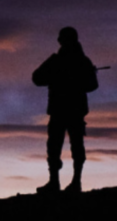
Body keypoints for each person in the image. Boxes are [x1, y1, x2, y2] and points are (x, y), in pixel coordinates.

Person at [32, 26, 98, 194]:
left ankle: (64, 182)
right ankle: (68, 182)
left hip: (63, 110)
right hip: (70, 110)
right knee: (65, 146)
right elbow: (37, 78)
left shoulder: (58, 61)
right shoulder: (82, 61)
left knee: (61, 146)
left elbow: (37, 77)